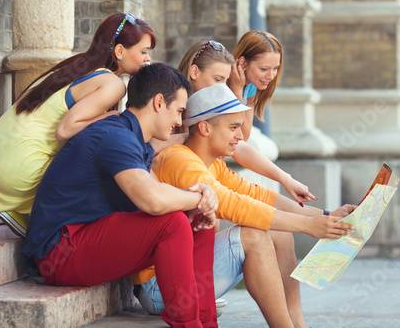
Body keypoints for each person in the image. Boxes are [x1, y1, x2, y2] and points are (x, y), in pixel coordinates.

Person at [132, 84, 357, 327]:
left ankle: (297, 325)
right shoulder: (180, 159)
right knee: (252, 236)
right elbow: (233, 204)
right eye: (233, 127)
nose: (240, 136)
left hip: (187, 272)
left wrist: (325, 215)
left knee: (280, 235)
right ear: (205, 128)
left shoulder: (212, 163)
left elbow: (256, 195)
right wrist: (308, 226)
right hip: (159, 288)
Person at [22, 63, 219, 328]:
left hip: (89, 238)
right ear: (159, 102)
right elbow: (153, 200)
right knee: (174, 223)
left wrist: (199, 204)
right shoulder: (114, 136)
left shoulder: (135, 139)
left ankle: (206, 323)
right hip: (59, 254)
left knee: (200, 222)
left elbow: (158, 193)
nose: (179, 121)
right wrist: (199, 198)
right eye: (179, 111)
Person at [0, 13, 155, 237]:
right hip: (20, 169)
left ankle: (26, 212)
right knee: (104, 165)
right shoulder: (113, 84)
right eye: (143, 51)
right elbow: (65, 130)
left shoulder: (78, 66)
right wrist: (112, 118)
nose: (148, 59)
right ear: (120, 51)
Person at [176, 40, 316, 207]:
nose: (223, 88)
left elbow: (240, 145)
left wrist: (287, 179)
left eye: (225, 81)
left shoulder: (213, 111)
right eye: (217, 79)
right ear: (194, 72)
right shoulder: (173, 106)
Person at [228, 29, 283, 140]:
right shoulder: (222, 82)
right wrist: (236, 90)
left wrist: (239, 91)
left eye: (275, 68)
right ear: (243, 62)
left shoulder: (252, 86)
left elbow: (244, 136)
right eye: (264, 69)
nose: (271, 76)